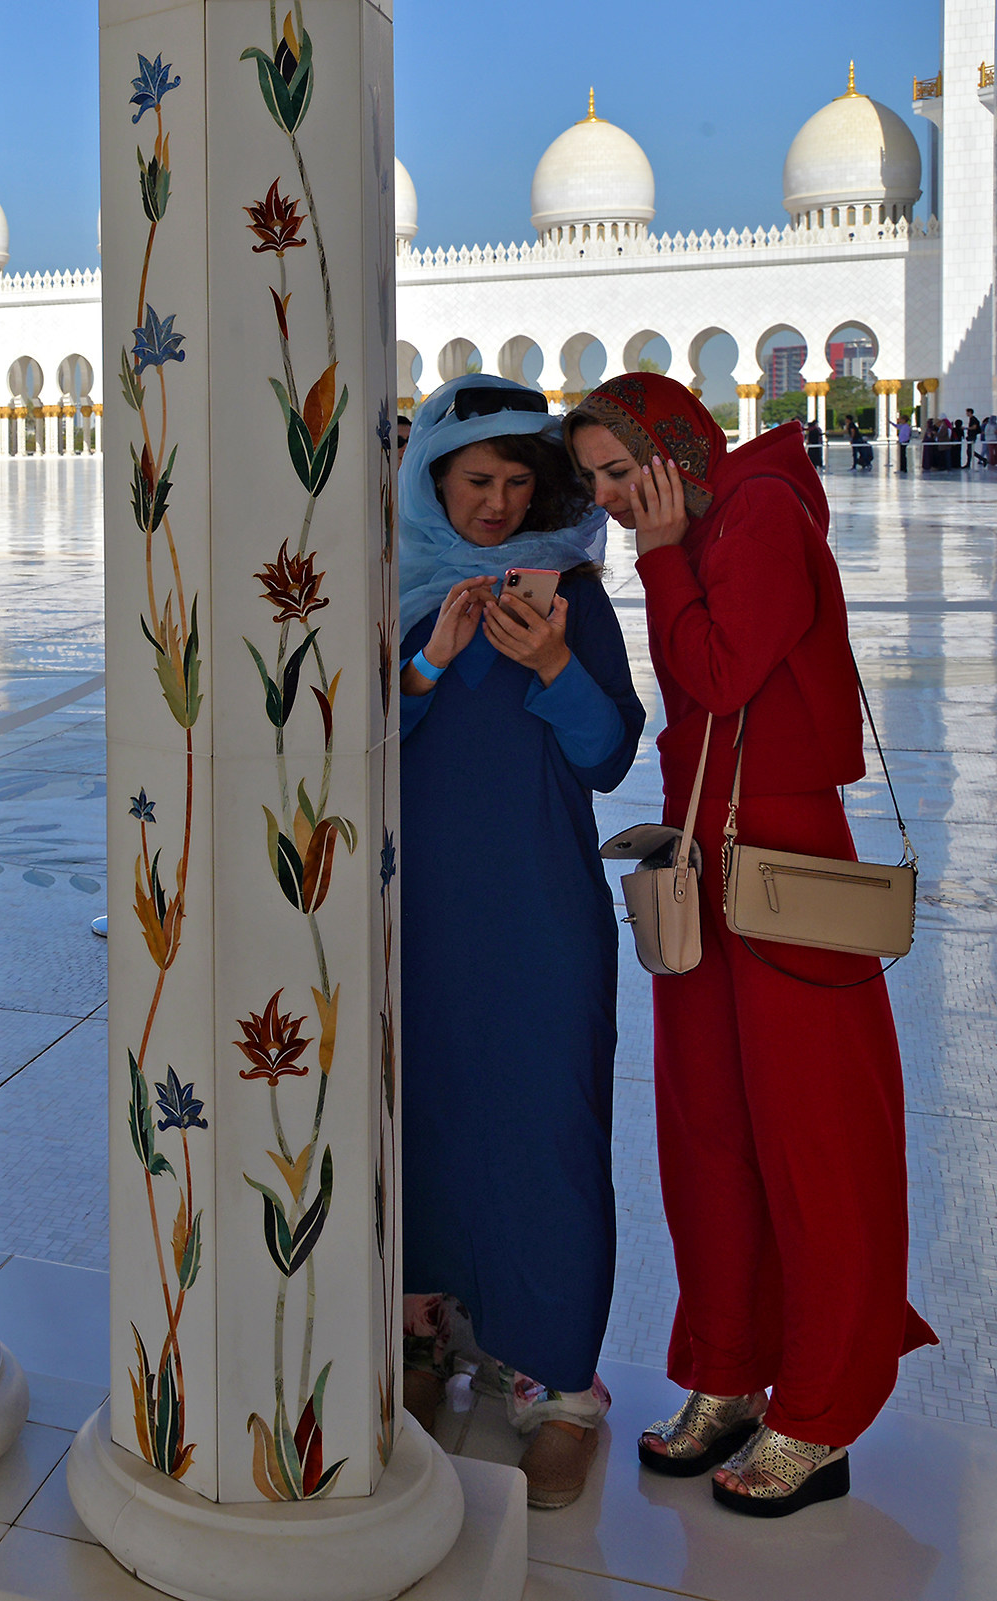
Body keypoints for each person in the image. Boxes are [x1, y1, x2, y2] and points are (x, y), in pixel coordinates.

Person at [566, 374, 937, 1518]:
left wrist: (665, 553)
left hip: (784, 872)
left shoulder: (764, 507)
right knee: (709, 1133)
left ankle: (821, 1410)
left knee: (814, 1144)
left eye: (624, 472)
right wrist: (667, 551)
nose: (618, 501)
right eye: (598, 485)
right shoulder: (701, 523)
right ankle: (726, 1369)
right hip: (703, 859)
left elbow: (723, 672)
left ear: (674, 445)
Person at [396, 376, 645, 1510]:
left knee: (543, 1123)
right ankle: (429, 1332)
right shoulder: (396, 592)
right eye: (474, 482)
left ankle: (557, 1385)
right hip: (416, 912)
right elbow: (351, 740)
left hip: (537, 908)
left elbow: (606, 755)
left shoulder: (573, 591)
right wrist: (434, 659)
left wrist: (551, 663)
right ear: (432, 483)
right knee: (427, 1111)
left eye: (514, 483)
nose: (496, 505)